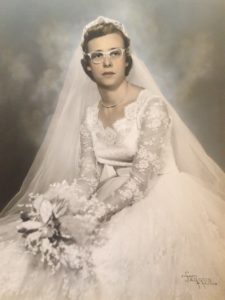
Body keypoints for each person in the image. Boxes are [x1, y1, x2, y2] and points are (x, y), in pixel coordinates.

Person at [0, 16, 225, 300]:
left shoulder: (151, 107)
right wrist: (60, 209)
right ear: (87, 65)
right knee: (33, 258)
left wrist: (93, 214)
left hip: (161, 197)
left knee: (104, 265)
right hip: (113, 195)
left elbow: (140, 182)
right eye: (98, 56)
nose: (107, 63)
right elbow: (87, 178)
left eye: (114, 53)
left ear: (125, 59)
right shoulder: (89, 117)